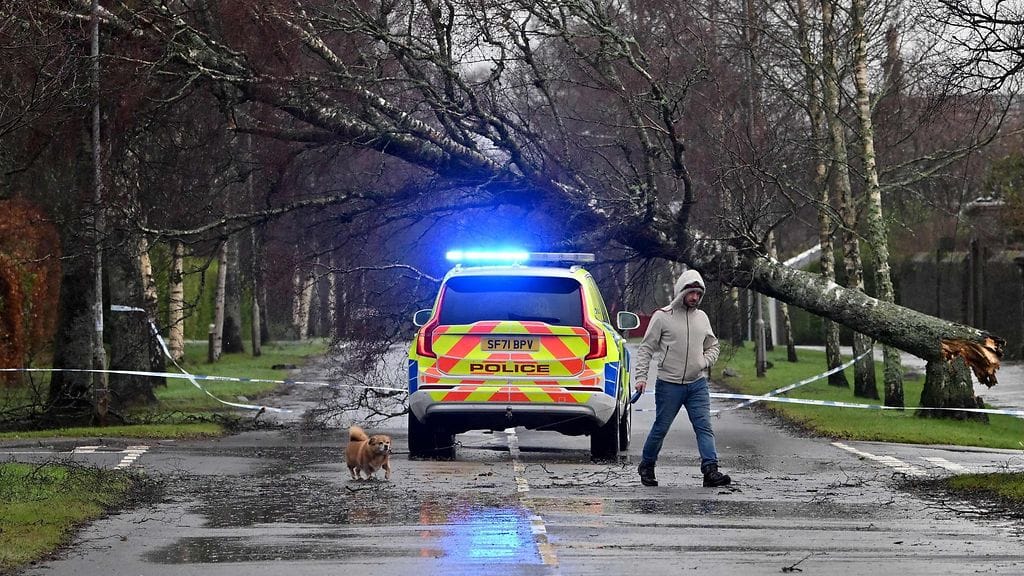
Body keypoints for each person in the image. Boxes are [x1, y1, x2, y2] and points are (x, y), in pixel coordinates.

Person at [633, 269, 731, 488]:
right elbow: (646, 348)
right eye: (691, 293)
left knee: (704, 426)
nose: (695, 297)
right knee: (661, 427)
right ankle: (647, 465)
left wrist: (704, 362)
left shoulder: (702, 318)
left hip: (697, 384)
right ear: (681, 292)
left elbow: (713, 346)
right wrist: (641, 377)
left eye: (698, 294)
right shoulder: (662, 317)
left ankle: (710, 470)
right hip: (669, 384)